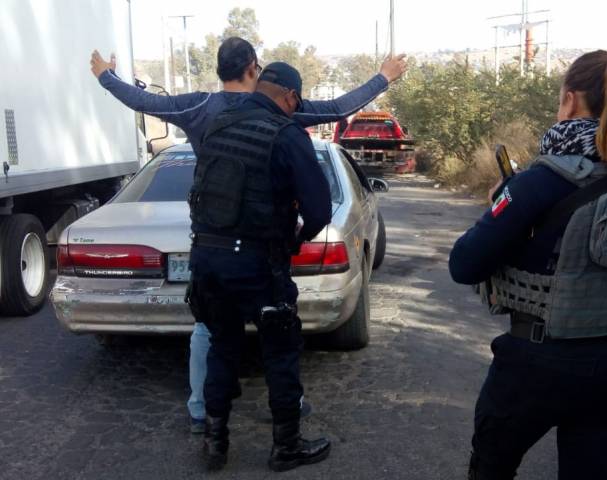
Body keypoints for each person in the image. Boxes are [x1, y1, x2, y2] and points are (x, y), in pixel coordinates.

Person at [90, 37, 407, 431]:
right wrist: (383, 77)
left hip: (212, 234)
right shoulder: (281, 107)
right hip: (263, 238)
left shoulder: (198, 107)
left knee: (209, 329)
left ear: (219, 69)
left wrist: (106, 76)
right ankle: (289, 410)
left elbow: (143, 102)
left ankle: (203, 413)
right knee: (277, 327)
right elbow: (338, 108)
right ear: (254, 68)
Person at [449, 49, 607, 480]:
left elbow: (464, 265)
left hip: (534, 366)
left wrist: (500, 203)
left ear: (570, 100)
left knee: (491, 468)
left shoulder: (539, 180)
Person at [186, 61, 332, 472]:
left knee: (223, 345)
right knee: (280, 351)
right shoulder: (286, 134)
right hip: (258, 264)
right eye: (296, 103)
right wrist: (297, 238)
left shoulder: (216, 127)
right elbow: (319, 210)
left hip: (208, 261)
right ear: (291, 97)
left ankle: (215, 443)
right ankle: (286, 447)